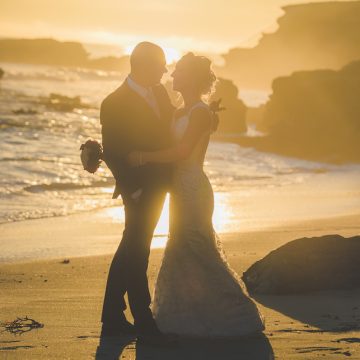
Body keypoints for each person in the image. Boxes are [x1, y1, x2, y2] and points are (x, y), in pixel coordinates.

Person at [128, 52, 265, 337]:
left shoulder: (200, 112)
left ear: (189, 78)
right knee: (181, 248)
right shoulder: (179, 111)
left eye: (177, 72)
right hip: (178, 191)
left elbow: (182, 151)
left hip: (193, 188)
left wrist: (142, 157)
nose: (172, 75)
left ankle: (233, 314)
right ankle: (186, 315)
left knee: (198, 248)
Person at [99, 42, 175, 344]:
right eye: (160, 66)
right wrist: (135, 189)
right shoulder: (114, 102)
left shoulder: (159, 92)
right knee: (138, 252)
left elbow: (170, 127)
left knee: (130, 247)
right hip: (139, 190)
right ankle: (143, 321)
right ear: (141, 65)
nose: (165, 71)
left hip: (161, 185)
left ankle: (112, 316)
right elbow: (116, 153)